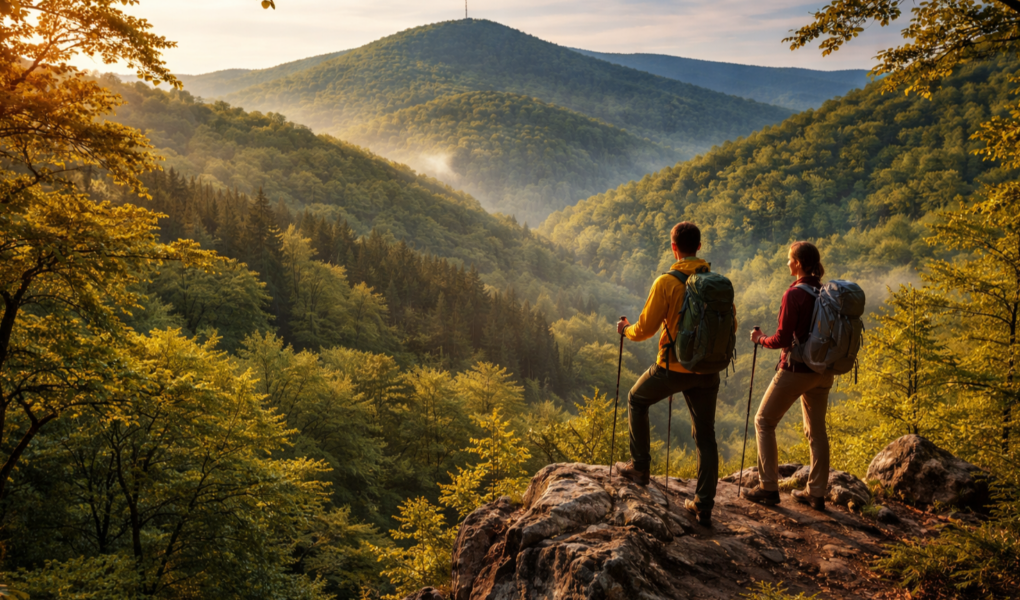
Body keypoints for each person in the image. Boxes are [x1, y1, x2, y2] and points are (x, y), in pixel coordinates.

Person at [617, 221, 731, 527]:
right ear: (700, 246)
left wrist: (625, 330)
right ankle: (703, 505)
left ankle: (640, 468)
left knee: (636, 400)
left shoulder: (666, 282)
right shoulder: (716, 283)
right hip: (708, 368)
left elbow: (644, 329)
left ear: (673, 247)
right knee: (706, 436)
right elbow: (728, 326)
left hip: (673, 367)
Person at [742, 241, 831, 511]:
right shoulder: (825, 292)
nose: (787, 263)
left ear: (799, 264)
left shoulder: (794, 295)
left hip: (796, 370)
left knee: (764, 421)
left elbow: (782, 339)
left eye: (789, 259)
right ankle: (816, 493)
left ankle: (768, 488)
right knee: (816, 431)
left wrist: (759, 339)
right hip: (823, 371)